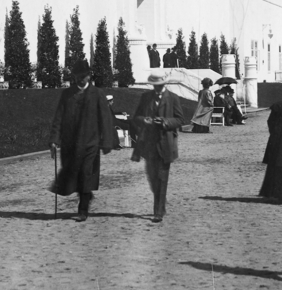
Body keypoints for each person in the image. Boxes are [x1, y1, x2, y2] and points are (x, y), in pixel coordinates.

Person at [49, 58, 117, 221]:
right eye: (78, 75)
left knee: (86, 173)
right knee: (74, 173)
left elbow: (105, 119)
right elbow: (59, 117)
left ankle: (83, 210)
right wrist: (54, 140)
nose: (81, 78)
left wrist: (107, 141)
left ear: (89, 76)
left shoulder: (97, 94)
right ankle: (86, 196)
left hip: (89, 143)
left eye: (84, 75)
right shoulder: (67, 94)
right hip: (70, 143)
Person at [130, 73, 185, 222]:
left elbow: (180, 119)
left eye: (160, 85)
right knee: (152, 177)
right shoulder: (146, 97)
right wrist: (144, 120)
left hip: (165, 143)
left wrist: (166, 122)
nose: (157, 87)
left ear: (164, 84)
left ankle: (158, 212)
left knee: (162, 177)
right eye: (155, 85)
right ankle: (161, 202)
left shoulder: (173, 98)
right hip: (149, 143)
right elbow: (136, 117)